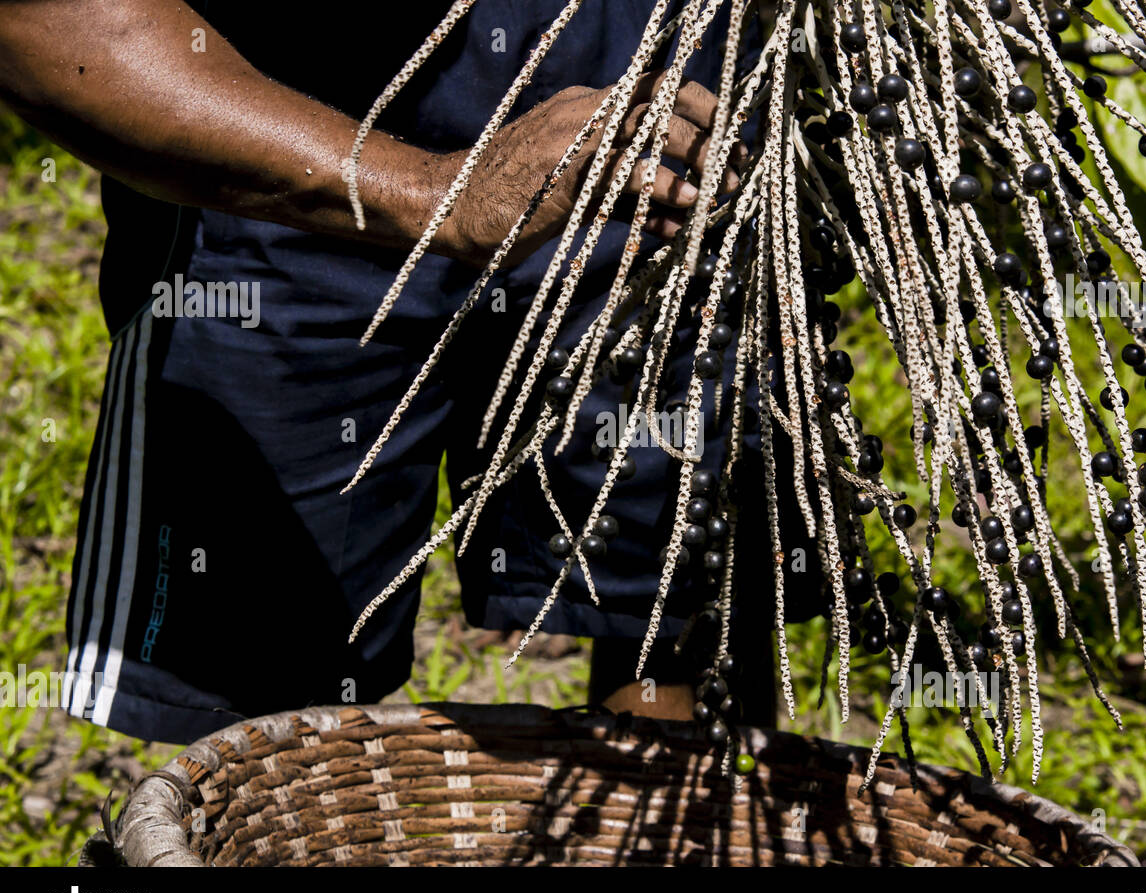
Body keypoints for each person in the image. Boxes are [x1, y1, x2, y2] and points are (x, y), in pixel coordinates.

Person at [1, 0, 817, 745]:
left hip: (663, 119)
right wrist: (435, 193)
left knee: (669, 628)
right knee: (258, 720)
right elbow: (45, 25)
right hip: (277, 154)